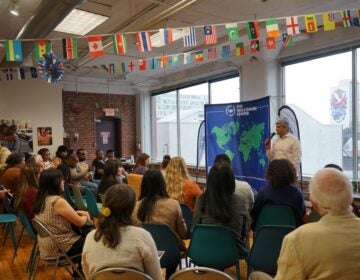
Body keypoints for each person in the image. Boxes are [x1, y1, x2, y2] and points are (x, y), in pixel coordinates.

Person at [249, 167, 360, 280]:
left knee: (255, 276)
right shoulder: (296, 195)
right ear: (350, 197)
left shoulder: (297, 239)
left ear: (313, 201)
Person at [82, 184, 162, 280]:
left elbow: (89, 275)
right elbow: (156, 277)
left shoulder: (91, 237)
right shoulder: (142, 236)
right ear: (131, 209)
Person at [33, 169, 91, 277]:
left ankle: (80, 274)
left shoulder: (41, 199)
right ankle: (81, 274)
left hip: (48, 245)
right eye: (61, 180)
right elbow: (80, 223)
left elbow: (55, 216)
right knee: (96, 243)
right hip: (61, 247)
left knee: (90, 237)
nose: (63, 181)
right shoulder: (57, 201)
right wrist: (85, 215)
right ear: (55, 183)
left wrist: (77, 213)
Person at [133, 169, 187, 280]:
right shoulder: (173, 204)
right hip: (170, 254)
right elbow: (183, 233)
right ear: (163, 184)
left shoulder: (135, 206)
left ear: (143, 185)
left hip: (143, 253)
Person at [193, 162, 249, 258]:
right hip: (233, 253)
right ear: (231, 181)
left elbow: (195, 228)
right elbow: (244, 232)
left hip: (205, 250)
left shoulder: (201, 200)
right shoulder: (240, 200)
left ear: (209, 181)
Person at [251, 159, 305, 229]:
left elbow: (255, 214)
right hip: (291, 235)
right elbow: (301, 214)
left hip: (264, 235)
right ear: (291, 173)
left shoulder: (263, 192)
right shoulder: (297, 193)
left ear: (270, 173)